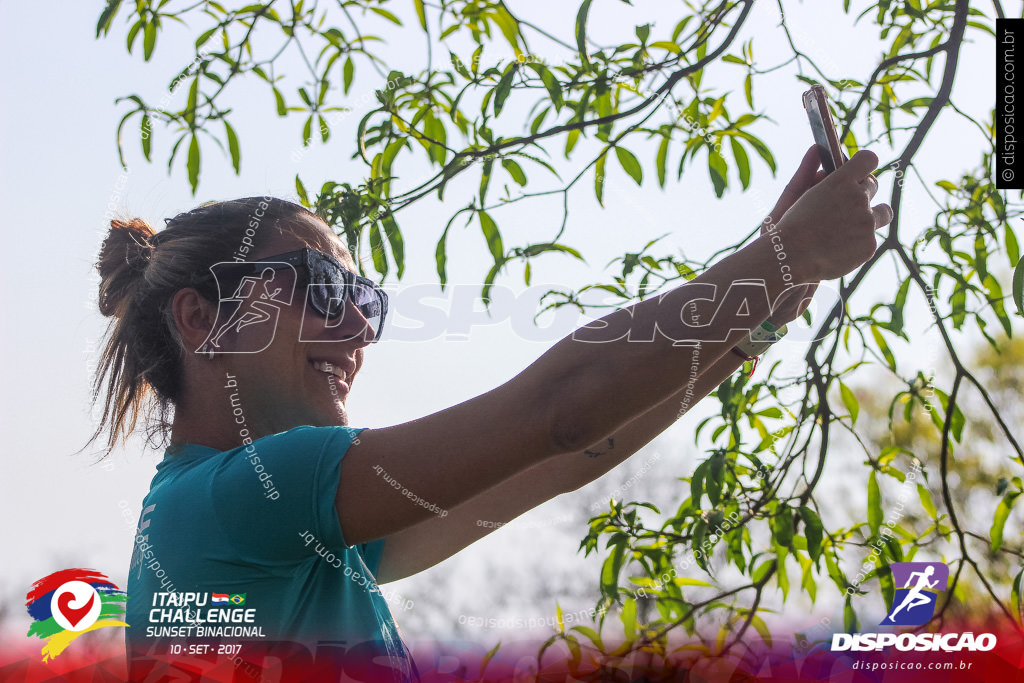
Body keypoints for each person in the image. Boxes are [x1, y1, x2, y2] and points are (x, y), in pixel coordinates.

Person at [91, 146, 891, 681]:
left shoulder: (268, 526)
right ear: (202, 320)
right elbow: (557, 412)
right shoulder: (255, 495)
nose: (361, 325)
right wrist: (781, 259)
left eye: (365, 297)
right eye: (322, 286)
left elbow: (564, 454)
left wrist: (767, 303)